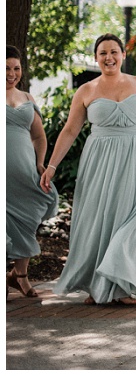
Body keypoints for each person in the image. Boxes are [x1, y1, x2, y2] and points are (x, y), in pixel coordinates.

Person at [40, 34, 136, 306]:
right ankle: (97, 285)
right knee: (98, 220)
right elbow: (70, 130)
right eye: (103, 53)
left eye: (114, 52)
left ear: (122, 55)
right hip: (99, 162)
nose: (108, 57)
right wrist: (51, 165)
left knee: (131, 220)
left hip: (135, 159)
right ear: (96, 57)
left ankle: (123, 286)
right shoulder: (86, 90)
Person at [6, 46, 59, 298]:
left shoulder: (27, 98)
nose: (12, 73)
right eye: (6, 68)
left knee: (28, 218)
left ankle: (20, 277)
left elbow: (38, 136)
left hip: (25, 171)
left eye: (16, 68)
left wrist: (40, 163)